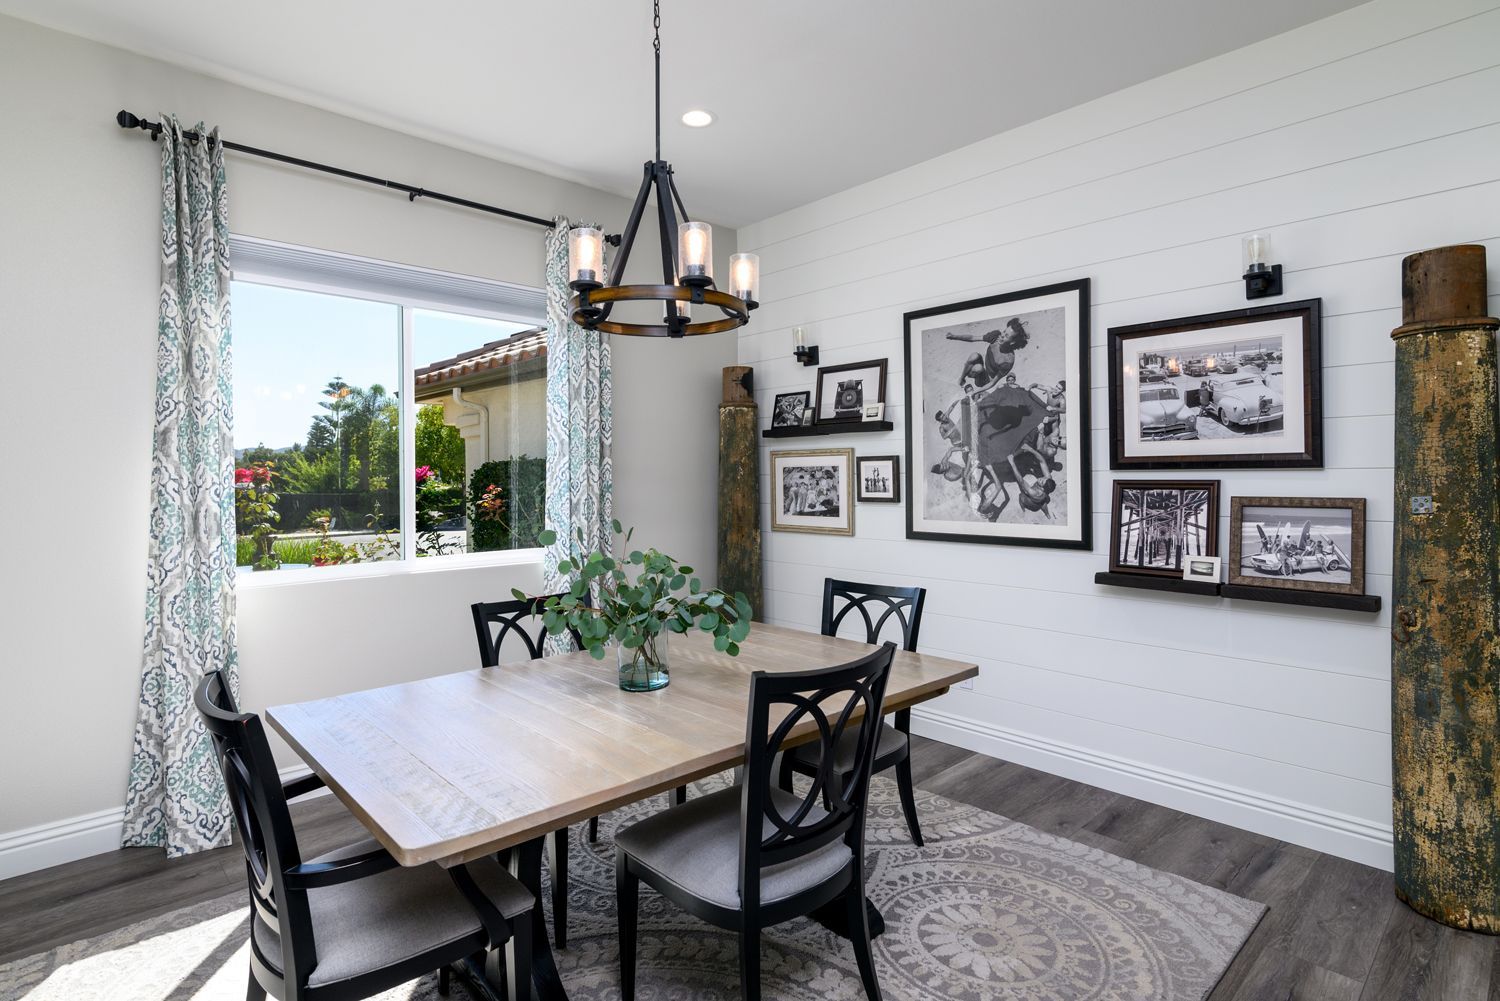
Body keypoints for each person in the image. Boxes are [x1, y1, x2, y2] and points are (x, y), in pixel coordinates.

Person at [947, 316, 1030, 392]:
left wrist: (976, 392)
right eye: (1004, 331)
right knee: (974, 355)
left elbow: (992, 383)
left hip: (984, 380)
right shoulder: (996, 336)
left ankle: (973, 373)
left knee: (978, 368)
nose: (1002, 336)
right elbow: (973, 338)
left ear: (1012, 342)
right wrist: (954, 337)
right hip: (982, 366)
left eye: (1006, 336)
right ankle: (962, 379)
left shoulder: (1008, 361)